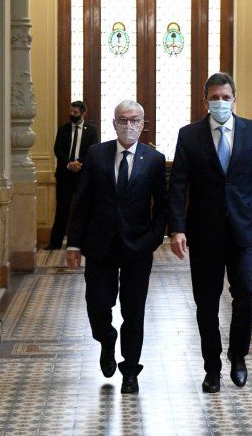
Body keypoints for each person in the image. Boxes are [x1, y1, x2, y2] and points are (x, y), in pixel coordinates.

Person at [168, 72, 252, 393]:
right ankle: (212, 368)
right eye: (214, 98)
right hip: (204, 233)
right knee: (206, 303)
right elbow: (178, 185)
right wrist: (176, 229)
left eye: (225, 97)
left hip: (244, 231)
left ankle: (238, 355)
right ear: (205, 101)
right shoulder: (189, 135)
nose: (220, 102)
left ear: (234, 99)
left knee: (246, 295)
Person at [66, 100, 167, 394]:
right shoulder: (96, 154)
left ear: (142, 124)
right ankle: (106, 340)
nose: (129, 125)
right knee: (98, 304)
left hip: (138, 247)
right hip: (100, 244)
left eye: (135, 120)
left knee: (134, 310)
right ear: (114, 123)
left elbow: (162, 206)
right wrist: (74, 244)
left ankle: (131, 370)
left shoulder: (154, 159)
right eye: (123, 119)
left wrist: (153, 239)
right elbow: (82, 200)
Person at [46, 101, 99, 250]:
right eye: (71, 111)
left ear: (83, 114)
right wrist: (69, 163)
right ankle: (55, 242)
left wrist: (79, 163)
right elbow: (58, 149)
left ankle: (81, 241)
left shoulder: (92, 130)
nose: (72, 114)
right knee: (62, 209)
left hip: (82, 175)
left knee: (82, 208)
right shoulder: (63, 129)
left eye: (75, 112)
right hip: (65, 174)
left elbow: (92, 150)